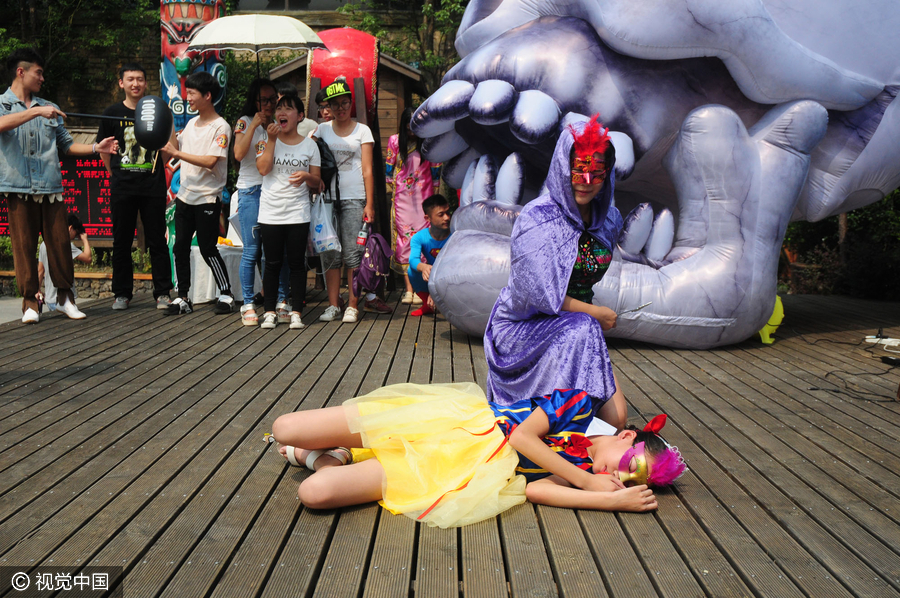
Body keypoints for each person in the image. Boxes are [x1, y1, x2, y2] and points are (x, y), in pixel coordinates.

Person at [269, 383, 685, 529]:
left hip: (453, 467)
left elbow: (538, 492)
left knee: (315, 494)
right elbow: (523, 437)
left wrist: (609, 498)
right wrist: (591, 482)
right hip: (450, 421)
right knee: (285, 428)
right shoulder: (577, 406)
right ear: (626, 435)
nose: (618, 475)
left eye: (627, 480)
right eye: (629, 465)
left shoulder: (579, 472)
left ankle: (334, 457)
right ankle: (338, 450)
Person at [484, 115, 629, 431]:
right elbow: (535, 297)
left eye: (597, 172)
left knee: (618, 420)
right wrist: (595, 314)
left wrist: (590, 316)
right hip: (524, 328)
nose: (586, 181)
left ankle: (564, 417)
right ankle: (549, 429)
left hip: (576, 329)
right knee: (584, 328)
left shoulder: (609, 221)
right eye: (578, 169)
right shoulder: (538, 218)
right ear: (564, 167)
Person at [0, 47, 117, 324]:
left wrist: (94, 149)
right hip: (17, 188)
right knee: (24, 247)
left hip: (51, 187)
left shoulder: (48, 106)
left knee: (60, 245)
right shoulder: (4, 104)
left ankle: (66, 299)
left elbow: (66, 144)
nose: (42, 78)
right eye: (38, 73)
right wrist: (37, 112)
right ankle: (30, 304)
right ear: (21, 72)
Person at [312, 77, 391, 323]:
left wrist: (370, 204)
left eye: (345, 103)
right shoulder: (321, 129)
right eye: (335, 105)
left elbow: (368, 169)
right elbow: (308, 156)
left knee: (353, 254)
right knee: (330, 254)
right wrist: (315, 179)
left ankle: (353, 305)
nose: (340, 109)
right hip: (327, 200)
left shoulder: (362, 130)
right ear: (328, 107)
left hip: (354, 199)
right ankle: (334, 304)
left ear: (351, 103)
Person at [98, 62, 174, 312]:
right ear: (121, 83)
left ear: (145, 82)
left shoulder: (159, 111)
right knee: (121, 241)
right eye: (130, 79)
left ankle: (163, 292)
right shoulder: (111, 113)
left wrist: (155, 170)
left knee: (157, 241)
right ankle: (122, 294)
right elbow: (104, 150)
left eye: (140, 79)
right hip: (123, 186)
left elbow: (170, 146)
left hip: (152, 185)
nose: (135, 84)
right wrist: (117, 174)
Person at [161, 71, 234, 316]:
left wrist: (178, 154)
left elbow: (212, 161)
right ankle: (183, 297)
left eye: (192, 93)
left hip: (207, 197)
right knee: (180, 247)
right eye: (187, 93)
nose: (187, 98)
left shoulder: (221, 127)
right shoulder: (191, 123)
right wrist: (168, 121)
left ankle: (226, 293)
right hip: (185, 196)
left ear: (208, 95)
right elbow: (174, 146)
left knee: (207, 247)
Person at [255, 93, 321, 330]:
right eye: (279, 108)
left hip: (297, 212)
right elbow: (263, 169)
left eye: (288, 108)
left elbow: (318, 182)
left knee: (296, 263)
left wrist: (306, 176)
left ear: (300, 116)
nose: (281, 112)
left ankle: (296, 312)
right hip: (270, 212)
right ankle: (270, 311)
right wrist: (272, 140)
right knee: (271, 263)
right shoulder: (265, 139)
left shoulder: (310, 145)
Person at [232, 78, 284, 326]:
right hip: (250, 191)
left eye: (274, 99)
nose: (270, 104)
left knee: (274, 251)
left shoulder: (277, 125)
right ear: (255, 100)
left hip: (273, 192)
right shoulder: (244, 122)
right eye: (265, 100)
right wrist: (253, 124)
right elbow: (238, 154)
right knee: (252, 250)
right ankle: (248, 304)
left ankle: (279, 300)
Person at [385, 106, 441, 305]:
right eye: (407, 122)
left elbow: (435, 170)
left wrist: (434, 193)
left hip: (424, 199)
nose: (410, 127)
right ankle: (409, 290)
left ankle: (422, 290)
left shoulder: (429, 141)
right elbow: (389, 169)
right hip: (402, 200)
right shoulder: (394, 141)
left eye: (414, 122)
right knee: (405, 241)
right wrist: (392, 192)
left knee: (424, 240)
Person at [407, 194, 451, 316]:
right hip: (432, 274)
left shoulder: (455, 234)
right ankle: (427, 305)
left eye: (448, 212)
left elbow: (458, 265)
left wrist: (435, 290)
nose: (447, 217)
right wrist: (424, 267)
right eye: (441, 214)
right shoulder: (419, 237)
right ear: (428, 218)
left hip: (451, 274)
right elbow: (413, 260)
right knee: (411, 270)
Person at [38, 214, 92, 311]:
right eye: (75, 234)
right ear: (70, 228)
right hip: (63, 300)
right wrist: (85, 240)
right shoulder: (66, 246)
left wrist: (37, 291)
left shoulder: (43, 244)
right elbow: (88, 258)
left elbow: (40, 271)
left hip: (50, 299)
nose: (74, 238)